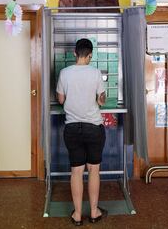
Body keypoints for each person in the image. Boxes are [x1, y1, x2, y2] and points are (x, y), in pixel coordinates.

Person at [56, 38, 108, 226]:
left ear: (74, 53)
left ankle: (77, 214)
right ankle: (94, 212)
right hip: (93, 127)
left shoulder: (64, 73)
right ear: (91, 55)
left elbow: (61, 100)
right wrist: (100, 96)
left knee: (76, 172)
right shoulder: (95, 73)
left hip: (72, 128)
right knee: (94, 169)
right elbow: (101, 100)